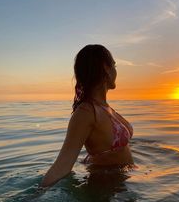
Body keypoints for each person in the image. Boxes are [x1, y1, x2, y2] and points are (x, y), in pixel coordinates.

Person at [38, 44, 134, 189]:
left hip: (123, 184)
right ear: (106, 68)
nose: (116, 71)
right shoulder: (86, 113)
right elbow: (62, 167)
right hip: (104, 191)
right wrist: (31, 200)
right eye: (114, 65)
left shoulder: (105, 108)